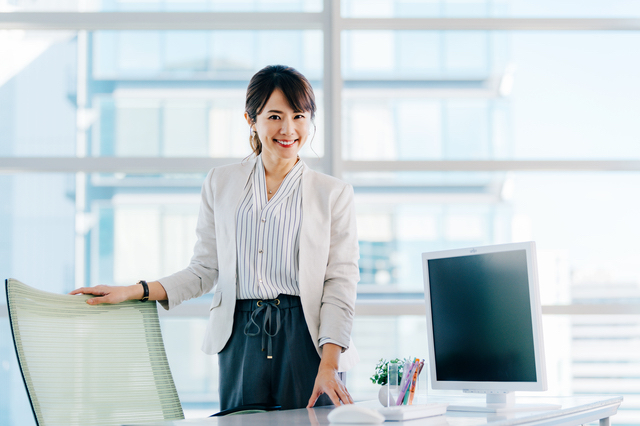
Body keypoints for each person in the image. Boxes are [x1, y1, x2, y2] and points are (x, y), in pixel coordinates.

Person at [70, 64, 360, 411]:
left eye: (300, 116)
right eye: (274, 116)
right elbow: (204, 269)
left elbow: (340, 283)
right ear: (251, 119)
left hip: (308, 339)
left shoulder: (333, 193)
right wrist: (136, 290)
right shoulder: (220, 183)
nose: (288, 129)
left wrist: (329, 364)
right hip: (239, 335)